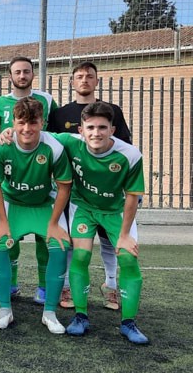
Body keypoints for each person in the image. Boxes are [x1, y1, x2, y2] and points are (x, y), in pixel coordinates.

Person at [54, 102, 148, 344]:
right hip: (83, 207)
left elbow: (132, 196)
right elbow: (38, 135)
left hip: (116, 211)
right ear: (81, 130)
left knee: (128, 257)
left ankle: (128, 323)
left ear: (112, 130)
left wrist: (125, 234)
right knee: (81, 257)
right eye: (91, 127)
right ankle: (80, 317)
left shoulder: (130, 154)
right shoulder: (70, 142)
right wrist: (8, 133)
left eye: (102, 127)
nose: (96, 133)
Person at [48, 61, 133, 311]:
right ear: (72, 82)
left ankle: (111, 286)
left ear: (97, 81)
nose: (84, 80)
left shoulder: (112, 110)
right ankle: (67, 287)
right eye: (79, 76)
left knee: (108, 239)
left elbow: (124, 147)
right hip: (73, 191)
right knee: (75, 240)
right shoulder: (59, 114)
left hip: (106, 191)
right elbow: (50, 145)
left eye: (89, 76)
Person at [0, 97, 72, 333]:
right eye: (21, 122)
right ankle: (5, 309)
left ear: (42, 122)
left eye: (33, 122)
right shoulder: (2, 148)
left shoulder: (53, 147)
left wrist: (54, 223)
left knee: (58, 247)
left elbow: (64, 186)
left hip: (44, 204)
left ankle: (50, 313)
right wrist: (2, 222)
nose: (27, 129)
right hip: (11, 203)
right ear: (13, 122)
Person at [0, 56, 58, 304]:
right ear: (10, 76)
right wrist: (6, 133)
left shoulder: (46, 100)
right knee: (6, 240)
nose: (22, 75)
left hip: (40, 179)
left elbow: (56, 130)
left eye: (27, 71)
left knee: (46, 241)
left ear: (32, 74)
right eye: (17, 72)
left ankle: (44, 289)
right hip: (12, 176)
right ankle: (11, 285)